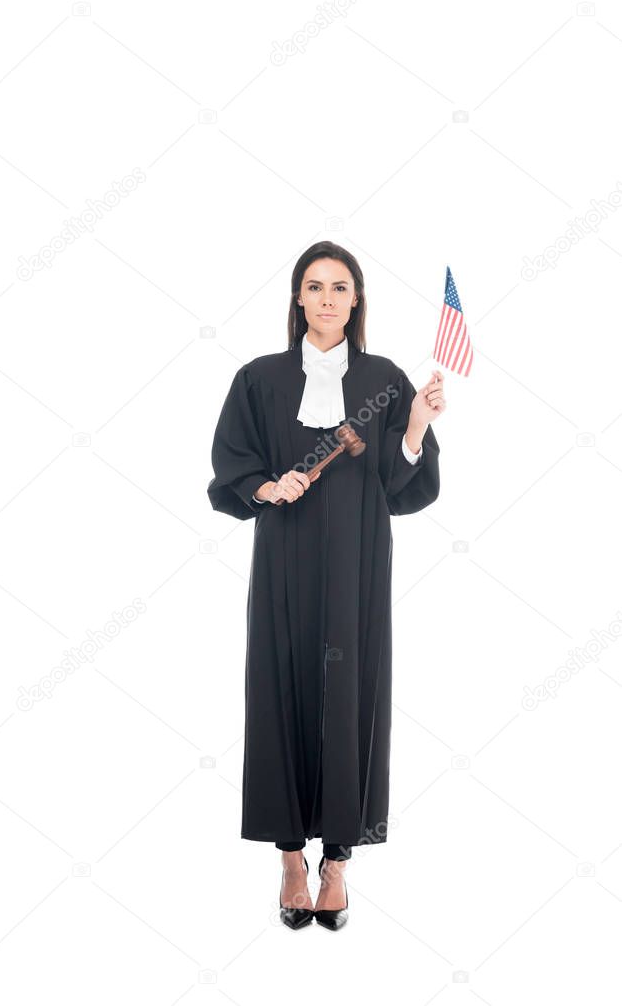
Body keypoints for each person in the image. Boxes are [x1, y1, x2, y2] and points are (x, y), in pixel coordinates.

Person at [207, 241, 446, 930]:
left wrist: (417, 426)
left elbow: (402, 485)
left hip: (357, 558)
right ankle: (289, 855)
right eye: (314, 286)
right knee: (281, 683)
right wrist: (264, 484)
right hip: (284, 552)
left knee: (350, 692)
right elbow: (231, 462)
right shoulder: (259, 377)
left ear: (356, 299)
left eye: (340, 287)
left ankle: (336, 858)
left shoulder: (383, 378)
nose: (327, 298)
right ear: (297, 299)